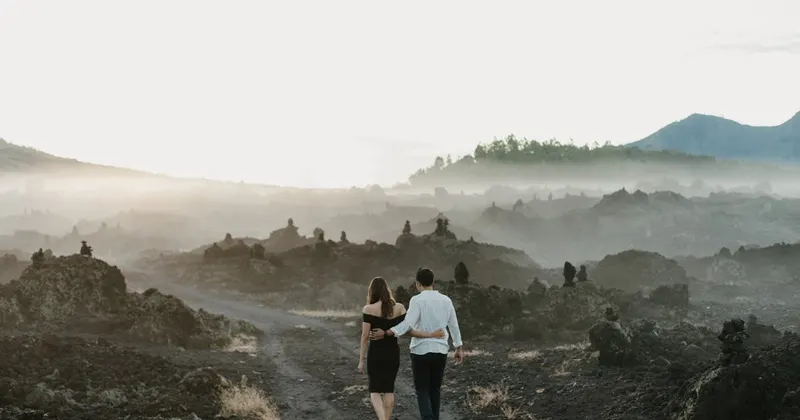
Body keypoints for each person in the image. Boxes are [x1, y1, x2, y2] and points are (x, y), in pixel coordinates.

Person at [370, 268, 464, 420]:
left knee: (422, 389)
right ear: (433, 282)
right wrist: (458, 347)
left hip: (420, 351)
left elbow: (407, 323)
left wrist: (387, 333)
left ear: (418, 284)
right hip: (440, 350)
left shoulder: (417, 300)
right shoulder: (446, 300)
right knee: (435, 390)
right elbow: (454, 325)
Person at [359, 277, 445, 420]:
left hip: (376, 354)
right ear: (387, 290)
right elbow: (409, 330)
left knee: (375, 391)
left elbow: (364, 336)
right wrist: (431, 334)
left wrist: (361, 360)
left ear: (372, 291)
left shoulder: (368, 309)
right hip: (392, 353)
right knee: (389, 389)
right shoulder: (399, 308)